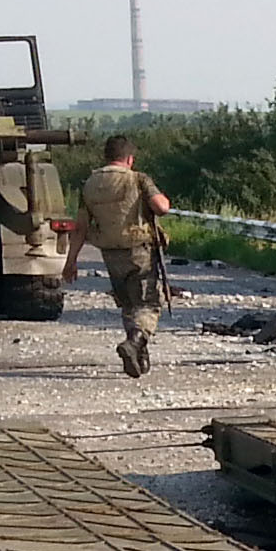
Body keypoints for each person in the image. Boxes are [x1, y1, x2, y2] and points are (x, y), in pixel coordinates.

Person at [76, 136, 171, 378]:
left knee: (128, 303)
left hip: (109, 252)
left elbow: (81, 227)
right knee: (148, 303)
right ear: (130, 158)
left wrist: (70, 263)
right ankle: (135, 343)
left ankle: (139, 355)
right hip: (139, 250)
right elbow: (161, 207)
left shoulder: (90, 183)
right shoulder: (138, 179)